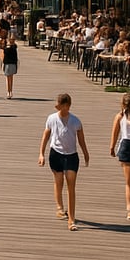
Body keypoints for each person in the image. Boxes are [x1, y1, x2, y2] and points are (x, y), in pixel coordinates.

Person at [38, 93, 89, 231]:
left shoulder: (75, 121)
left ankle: (71, 220)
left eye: (58, 104)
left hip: (71, 156)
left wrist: (85, 153)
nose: (56, 106)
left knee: (71, 187)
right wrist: (41, 154)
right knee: (58, 181)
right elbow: (46, 136)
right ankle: (60, 207)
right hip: (56, 154)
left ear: (66, 106)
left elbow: (81, 140)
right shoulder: (51, 118)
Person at [0, 33, 19, 99]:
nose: (12, 40)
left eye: (13, 39)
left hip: (13, 63)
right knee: (8, 78)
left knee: (11, 78)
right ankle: (8, 91)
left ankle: (10, 91)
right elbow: (2, 53)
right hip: (7, 63)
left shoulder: (14, 46)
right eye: (11, 39)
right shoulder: (5, 46)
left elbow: (16, 56)